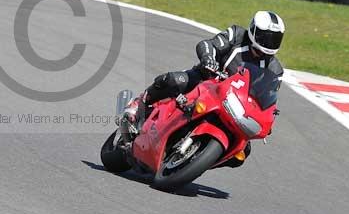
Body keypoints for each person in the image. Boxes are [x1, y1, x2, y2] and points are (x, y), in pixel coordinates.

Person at [120, 11, 285, 167]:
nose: (268, 43)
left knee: (241, 153)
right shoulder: (237, 35)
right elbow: (208, 44)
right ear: (254, 30)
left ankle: (199, 160)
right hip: (206, 79)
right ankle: (140, 105)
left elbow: (268, 95)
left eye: (274, 39)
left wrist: (268, 117)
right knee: (173, 81)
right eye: (265, 37)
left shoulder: (275, 69)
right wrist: (208, 58)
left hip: (235, 102)